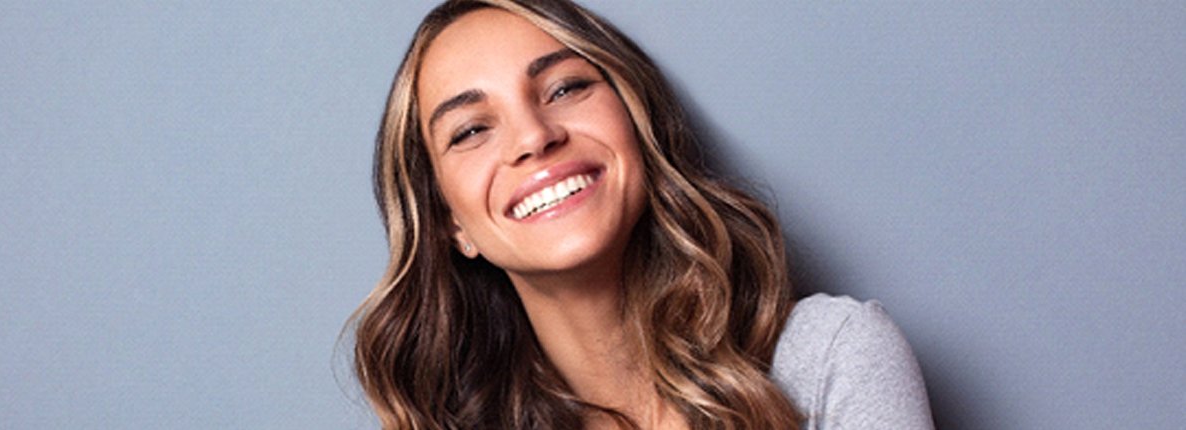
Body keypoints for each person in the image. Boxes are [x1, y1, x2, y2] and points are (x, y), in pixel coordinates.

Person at [351, 0, 934, 428]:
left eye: (564, 88)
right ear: (451, 223)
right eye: (471, 130)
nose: (533, 137)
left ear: (638, 124)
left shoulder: (829, 359)